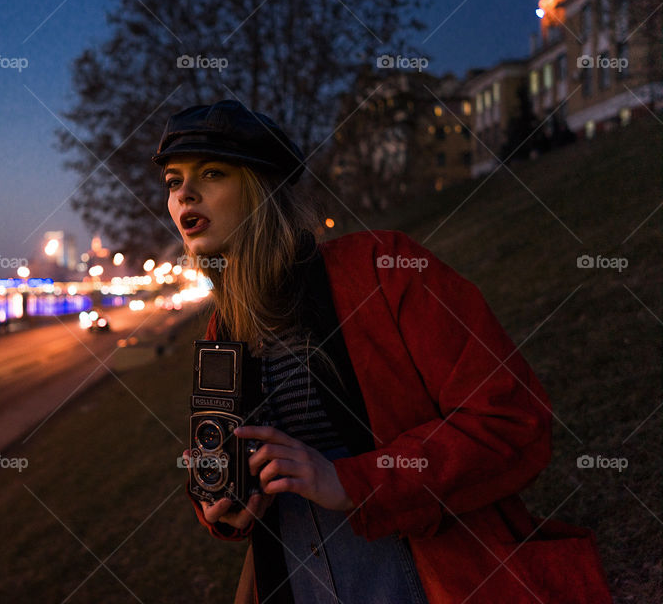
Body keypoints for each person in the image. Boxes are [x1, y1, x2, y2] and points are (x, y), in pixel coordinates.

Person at [152, 100, 614, 604]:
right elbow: (225, 461)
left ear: (265, 188)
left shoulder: (383, 270)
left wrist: (351, 481)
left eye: (211, 173)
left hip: (428, 580)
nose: (184, 195)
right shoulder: (225, 329)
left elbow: (512, 421)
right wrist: (219, 499)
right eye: (174, 181)